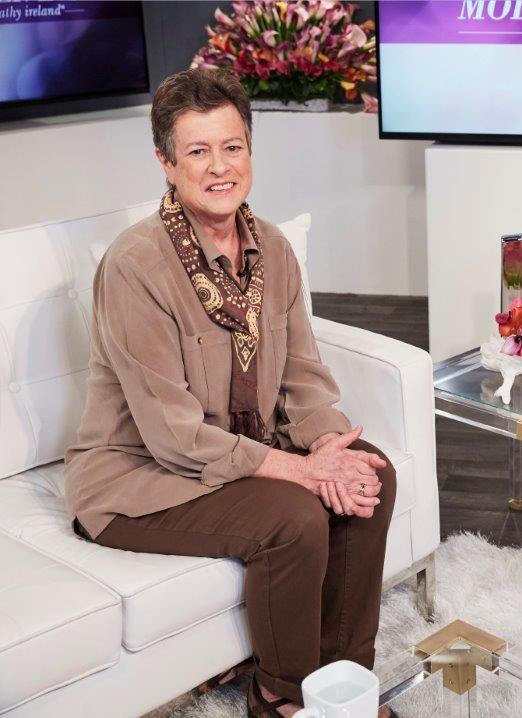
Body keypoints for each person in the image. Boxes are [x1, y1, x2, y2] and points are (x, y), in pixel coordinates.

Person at [64, 68, 397, 718]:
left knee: (368, 480)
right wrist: (301, 471)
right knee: (293, 517)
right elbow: (172, 436)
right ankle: (281, 694)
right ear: (165, 162)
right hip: (139, 481)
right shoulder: (137, 268)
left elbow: (302, 376)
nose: (219, 167)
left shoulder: (272, 248)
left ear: (250, 151)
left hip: (234, 457)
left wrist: (330, 449)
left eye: (233, 146)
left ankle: (343, 687)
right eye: (197, 151)